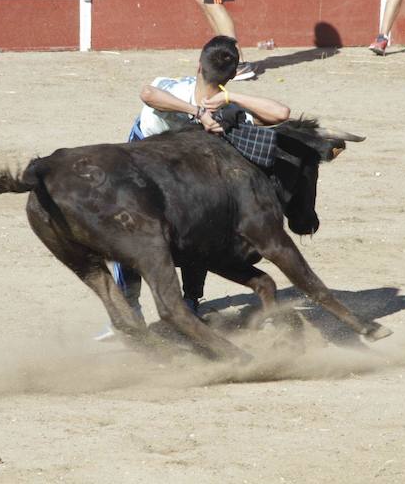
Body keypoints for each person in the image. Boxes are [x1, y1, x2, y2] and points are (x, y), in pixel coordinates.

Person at [95, 36, 290, 341]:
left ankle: (173, 304)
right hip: (147, 163)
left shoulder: (218, 102)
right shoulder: (185, 95)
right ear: (233, 72)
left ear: (198, 65)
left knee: (143, 228)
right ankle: (145, 306)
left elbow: (280, 115)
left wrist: (230, 97)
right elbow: (148, 94)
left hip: (174, 170)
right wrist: (198, 112)